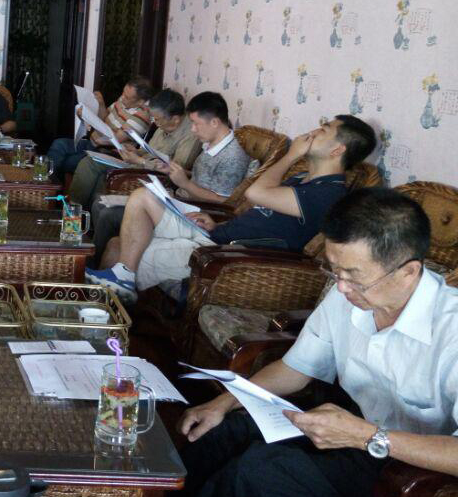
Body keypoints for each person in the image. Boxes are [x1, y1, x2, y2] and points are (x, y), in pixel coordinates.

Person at [176, 187, 458, 497]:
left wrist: (366, 436)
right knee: (220, 433)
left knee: (259, 473)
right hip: (347, 422)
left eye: (353, 276)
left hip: (405, 462)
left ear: (408, 272)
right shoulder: (347, 295)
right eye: (335, 271)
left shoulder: (451, 331)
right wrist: (224, 402)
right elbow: (295, 368)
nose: (341, 288)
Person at [86, 115, 377, 303]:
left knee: (118, 248)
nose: (312, 132)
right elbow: (259, 211)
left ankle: (106, 324)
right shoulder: (303, 179)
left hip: (223, 253)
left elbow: (256, 193)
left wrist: (292, 154)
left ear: (337, 150)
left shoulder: (327, 194)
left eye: (323, 130)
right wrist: (217, 223)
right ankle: (120, 286)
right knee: (140, 200)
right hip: (216, 233)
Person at [89, 92, 251, 268]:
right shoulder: (211, 143)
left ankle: (89, 265)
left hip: (195, 214)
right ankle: (88, 265)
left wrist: (185, 183)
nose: (192, 129)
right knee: (102, 204)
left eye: (196, 123)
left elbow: (223, 201)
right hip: (179, 202)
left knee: (110, 215)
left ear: (214, 122)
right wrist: (177, 172)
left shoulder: (232, 156)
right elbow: (203, 179)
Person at [68, 88, 201, 209]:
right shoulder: (164, 124)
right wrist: (135, 151)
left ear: (176, 119)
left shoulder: (191, 134)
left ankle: (75, 212)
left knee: (96, 177)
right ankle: (74, 210)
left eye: (157, 119)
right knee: (89, 162)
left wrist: (140, 161)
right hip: (137, 163)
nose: (155, 123)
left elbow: (176, 170)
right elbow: (149, 150)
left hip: (152, 176)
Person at [48, 77, 155, 181]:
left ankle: (51, 185)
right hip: (93, 144)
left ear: (141, 102)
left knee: (65, 162)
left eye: (127, 97)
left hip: (107, 152)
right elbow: (104, 119)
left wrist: (91, 123)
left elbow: (114, 139)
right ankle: (49, 182)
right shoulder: (122, 101)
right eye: (123, 92)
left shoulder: (142, 116)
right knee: (59, 144)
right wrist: (101, 104)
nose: (122, 97)